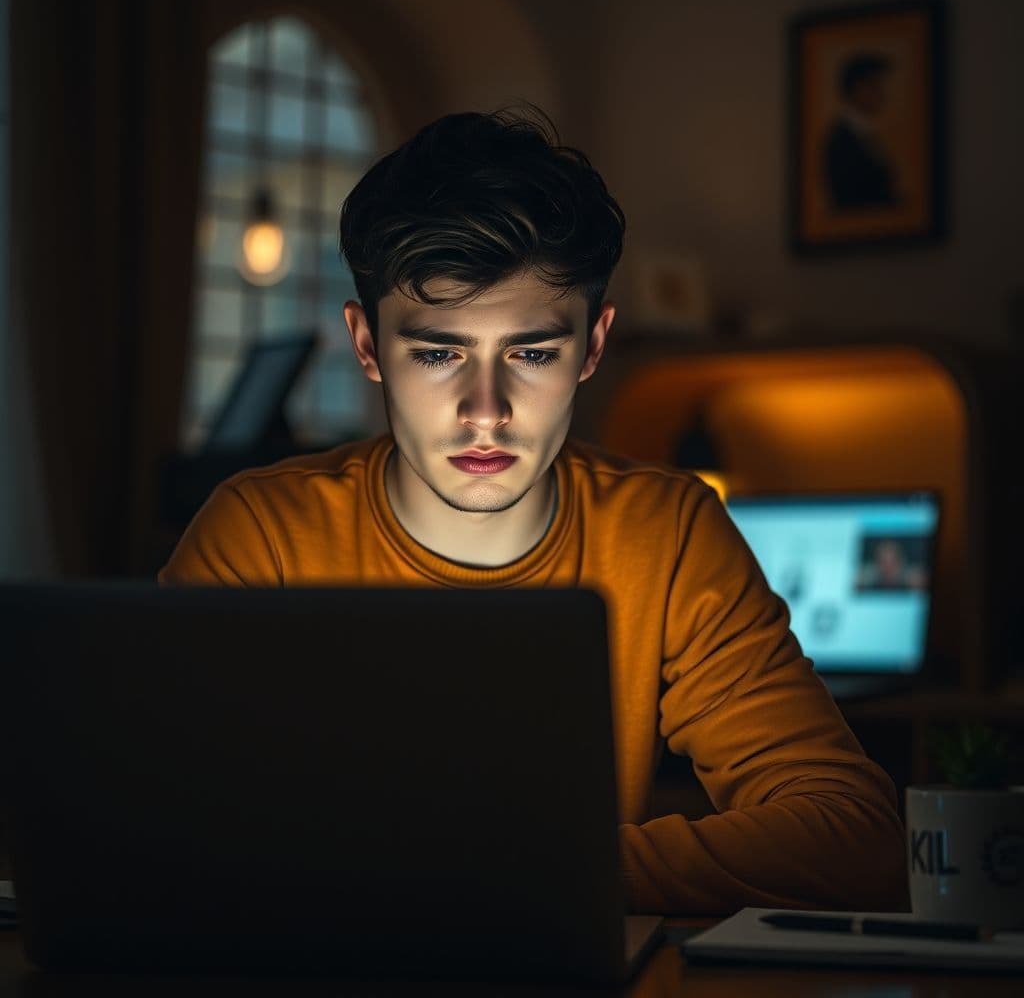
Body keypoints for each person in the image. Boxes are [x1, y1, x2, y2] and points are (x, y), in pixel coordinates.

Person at [160, 104, 907, 915]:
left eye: (531, 353)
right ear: (367, 346)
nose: (487, 410)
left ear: (592, 347)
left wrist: (535, 877)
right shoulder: (261, 535)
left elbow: (851, 833)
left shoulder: (665, 534)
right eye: (440, 353)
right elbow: (148, 820)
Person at [822, 53, 899, 210]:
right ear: (856, 89)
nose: (882, 94)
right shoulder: (841, 140)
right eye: (874, 86)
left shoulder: (867, 135)